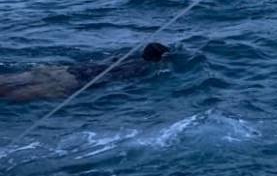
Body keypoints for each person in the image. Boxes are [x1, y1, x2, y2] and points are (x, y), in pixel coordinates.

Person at [0, 43, 170, 103]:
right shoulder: (141, 69)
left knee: (8, 81)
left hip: (63, 69)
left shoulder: (123, 56)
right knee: (16, 95)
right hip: (74, 81)